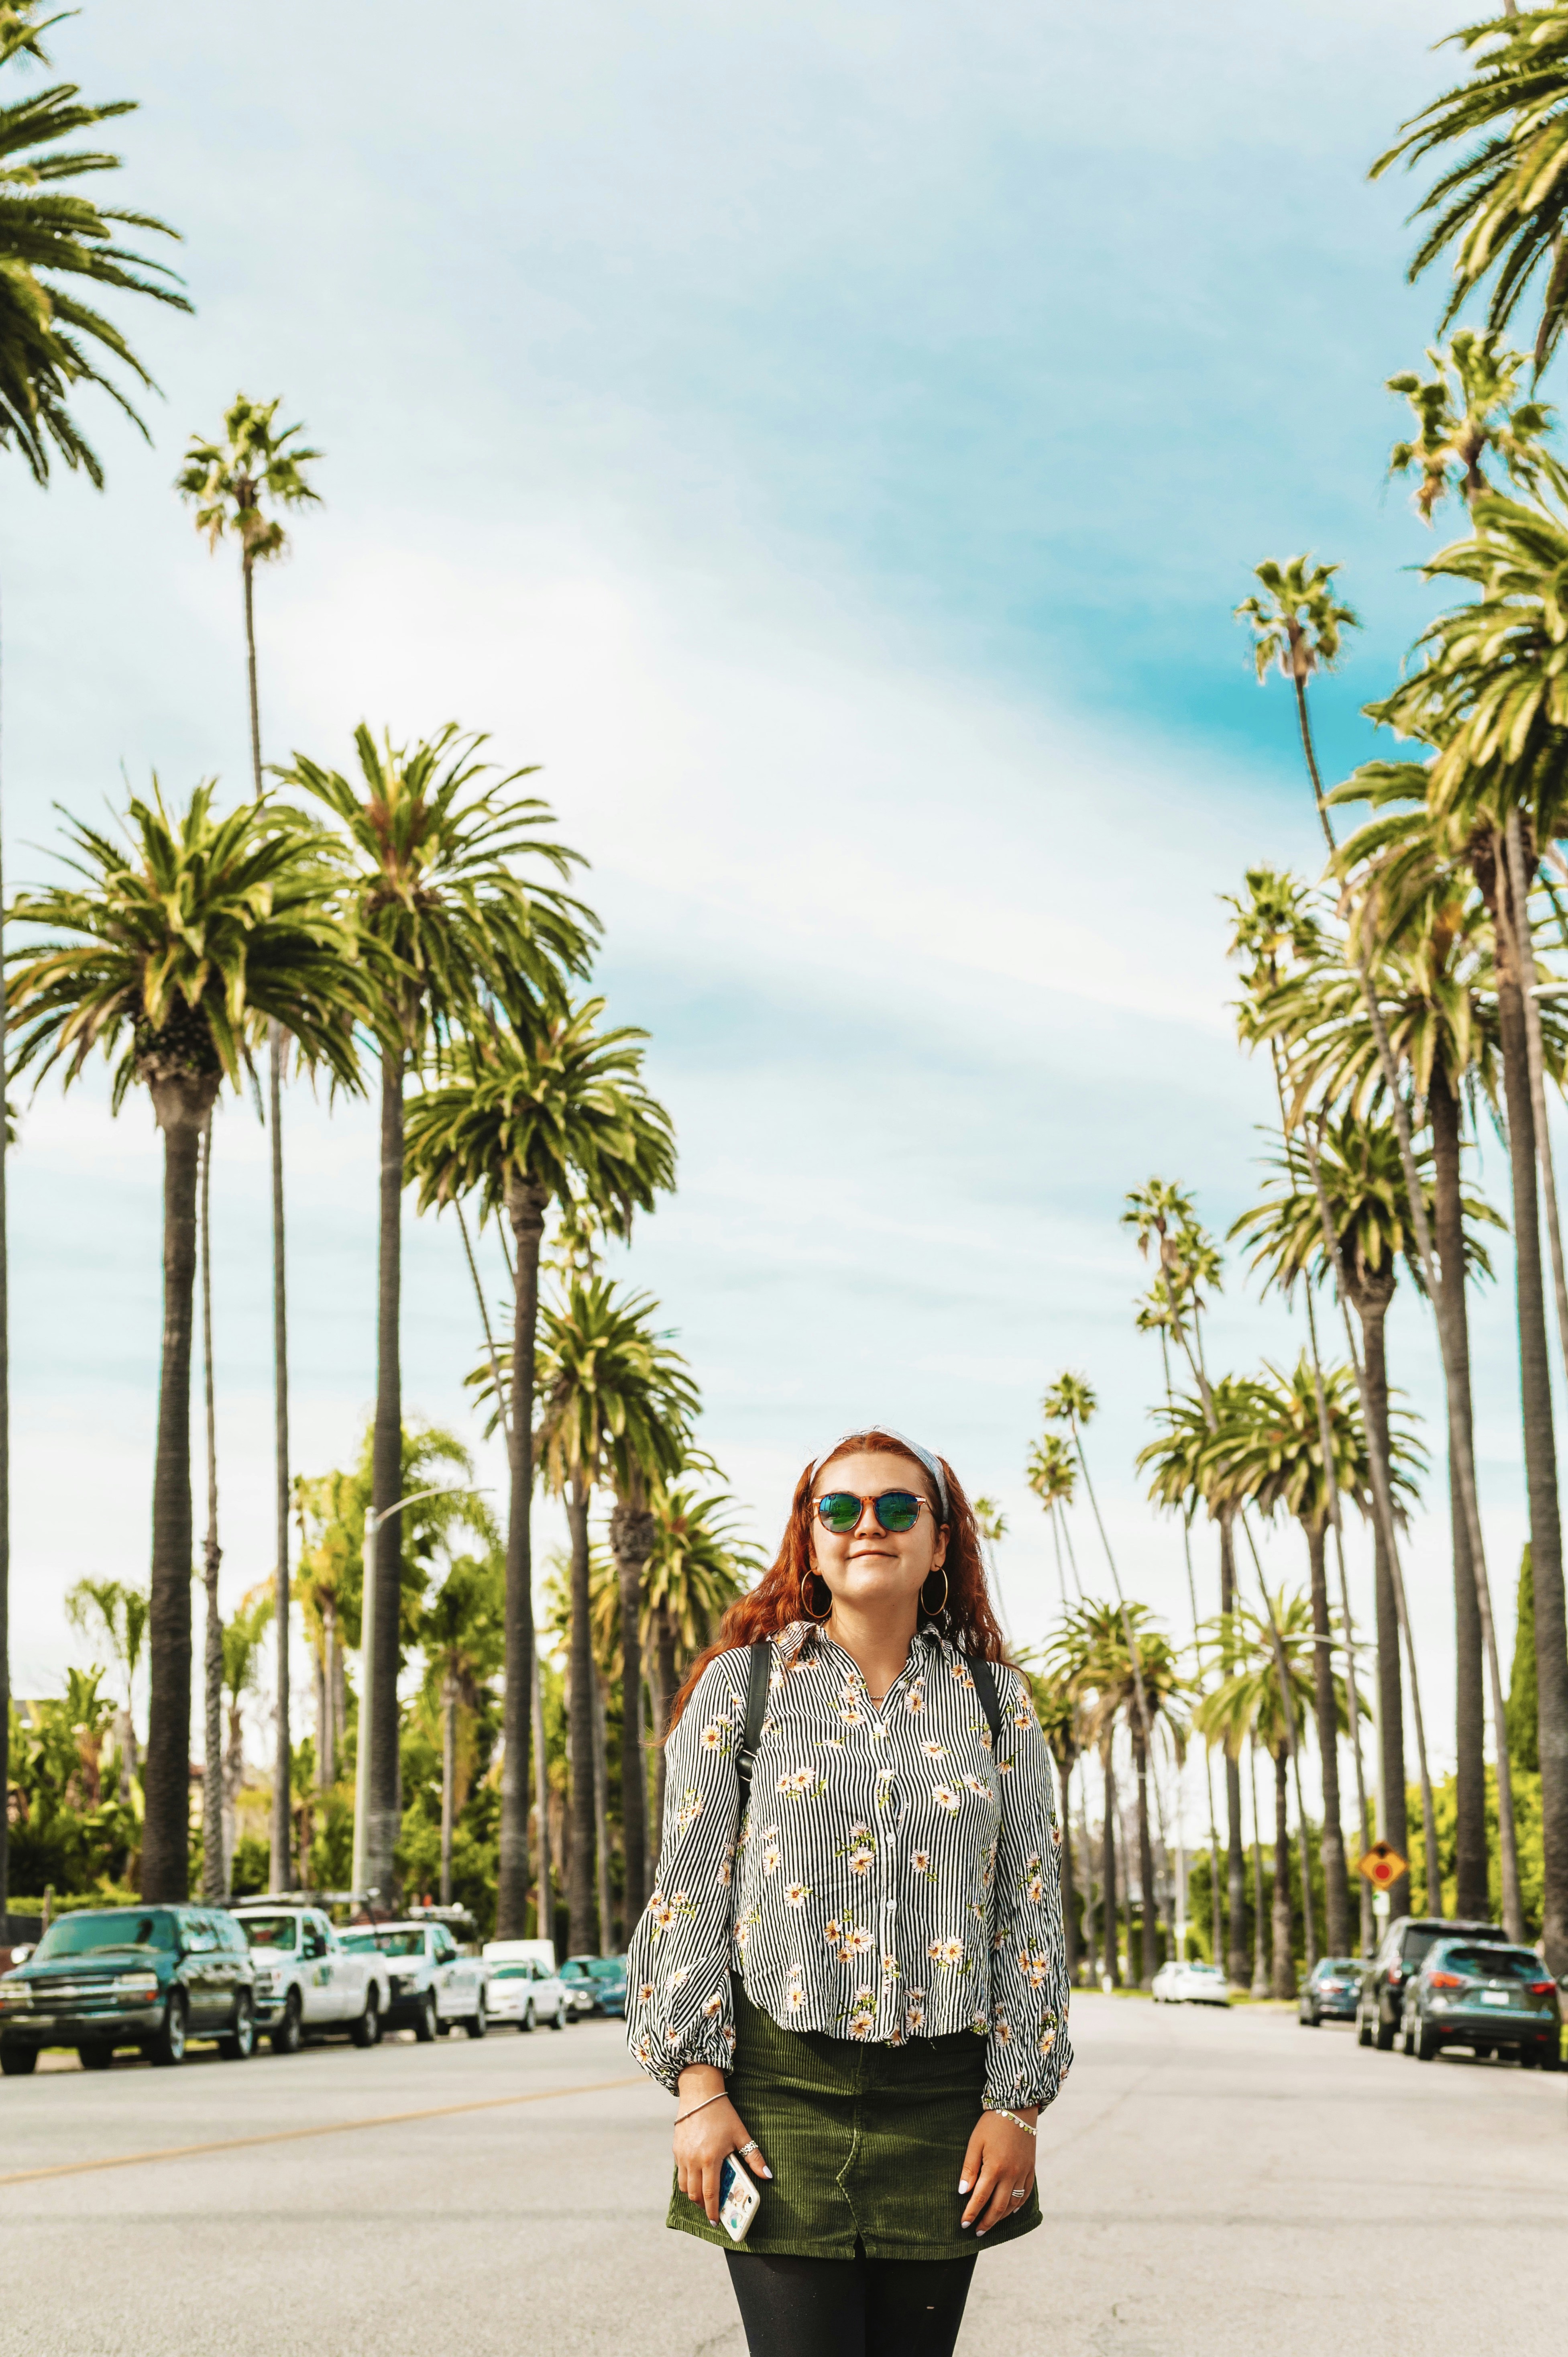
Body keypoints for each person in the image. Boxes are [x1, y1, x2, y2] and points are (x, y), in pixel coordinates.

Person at [625, 1426, 1072, 2357]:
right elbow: (688, 1892)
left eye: (899, 1507)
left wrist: (1016, 2105)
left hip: (949, 2106)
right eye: (841, 1507)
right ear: (812, 1538)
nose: (869, 1524)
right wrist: (698, 2090)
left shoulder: (999, 1704)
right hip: (776, 2092)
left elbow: (1032, 1909)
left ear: (940, 1542)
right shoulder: (740, 1690)